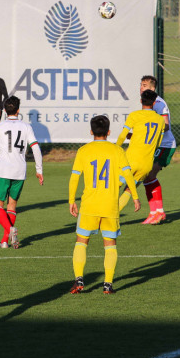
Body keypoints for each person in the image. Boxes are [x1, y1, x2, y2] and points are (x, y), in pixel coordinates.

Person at [68, 115, 141, 295]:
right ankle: (108, 284)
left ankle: (79, 280)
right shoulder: (117, 150)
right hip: (110, 206)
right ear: (108, 132)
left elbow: (75, 177)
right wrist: (135, 197)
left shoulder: (83, 150)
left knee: (81, 241)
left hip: (89, 205)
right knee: (110, 244)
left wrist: (71, 200)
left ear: (91, 132)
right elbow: (128, 174)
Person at [0, 96, 44, 249]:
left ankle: (9, 230)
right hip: (20, 170)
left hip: (4, 169)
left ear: (5, 110)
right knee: (12, 205)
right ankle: (5, 241)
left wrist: (1, 149)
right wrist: (39, 170)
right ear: (18, 110)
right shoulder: (26, 127)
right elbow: (36, 148)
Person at [115, 90, 165, 215]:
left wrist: (114, 149)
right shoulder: (160, 120)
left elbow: (122, 136)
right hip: (146, 164)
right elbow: (157, 142)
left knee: (114, 187)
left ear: (141, 101)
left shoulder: (134, 115)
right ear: (154, 103)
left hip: (130, 160)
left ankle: (102, 215)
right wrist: (136, 136)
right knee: (129, 190)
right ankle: (113, 215)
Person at [138, 76, 177, 224]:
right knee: (147, 176)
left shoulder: (159, 103)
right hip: (155, 145)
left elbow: (165, 125)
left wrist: (152, 130)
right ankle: (155, 212)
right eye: (141, 85)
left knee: (149, 173)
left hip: (165, 144)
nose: (142, 88)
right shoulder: (146, 104)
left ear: (153, 89)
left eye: (145, 85)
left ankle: (158, 212)